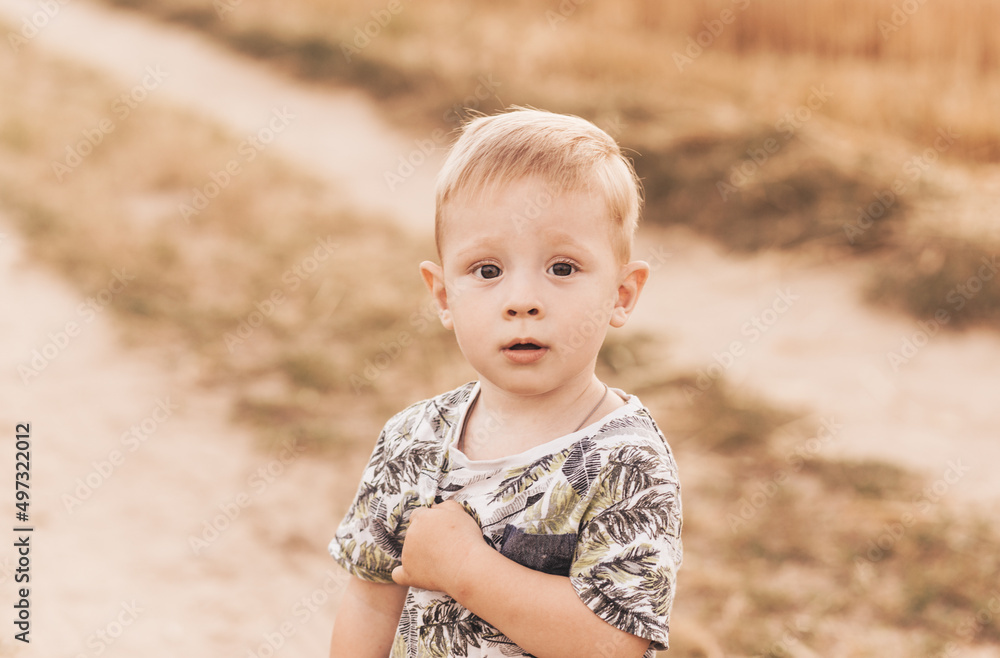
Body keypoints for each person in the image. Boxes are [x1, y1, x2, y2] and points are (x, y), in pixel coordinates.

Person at [328, 108, 682, 658]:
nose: (522, 300)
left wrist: (465, 568)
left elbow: (614, 647)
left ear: (622, 293)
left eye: (562, 268)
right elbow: (372, 599)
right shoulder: (410, 440)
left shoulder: (628, 463)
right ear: (444, 295)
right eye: (487, 271)